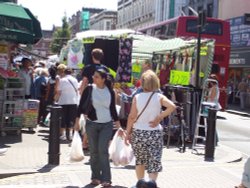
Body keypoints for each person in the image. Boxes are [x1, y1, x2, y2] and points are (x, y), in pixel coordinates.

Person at [125, 70, 176, 183]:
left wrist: (127, 133)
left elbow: (132, 117)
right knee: (154, 161)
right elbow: (172, 106)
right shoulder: (159, 97)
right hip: (154, 133)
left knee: (140, 161)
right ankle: (152, 184)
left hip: (138, 133)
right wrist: (159, 117)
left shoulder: (137, 97)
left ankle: (140, 183)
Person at [75, 68, 120, 187]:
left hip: (107, 124)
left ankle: (106, 179)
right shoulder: (89, 89)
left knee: (103, 151)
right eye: (93, 76)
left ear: (103, 79)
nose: (93, 78)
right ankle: (95, 177)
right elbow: (80, 107)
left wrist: (119, 125)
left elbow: (113, 109)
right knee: (94, 151)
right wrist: (77, 121)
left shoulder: (110, 91)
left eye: (96, 77)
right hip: (92, 123)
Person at [79, 48, 108, 149]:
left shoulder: (88, 68)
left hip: (90, 96)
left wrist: (81, 95)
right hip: (102, 96)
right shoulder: (105, 69)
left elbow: (84, 82)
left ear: (92, 56)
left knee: (89, 119)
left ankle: (85, 142)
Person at [57, 67, 79, 141]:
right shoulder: (75, 80)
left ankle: (63, 135)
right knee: (71, 118)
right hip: (73, 102)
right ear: (72, 73)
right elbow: (77, 90)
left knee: (63, 118)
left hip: (63, 101)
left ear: (64, 72)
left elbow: (59, 91)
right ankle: (70, 135)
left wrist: (56, 99)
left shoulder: (62, 80)